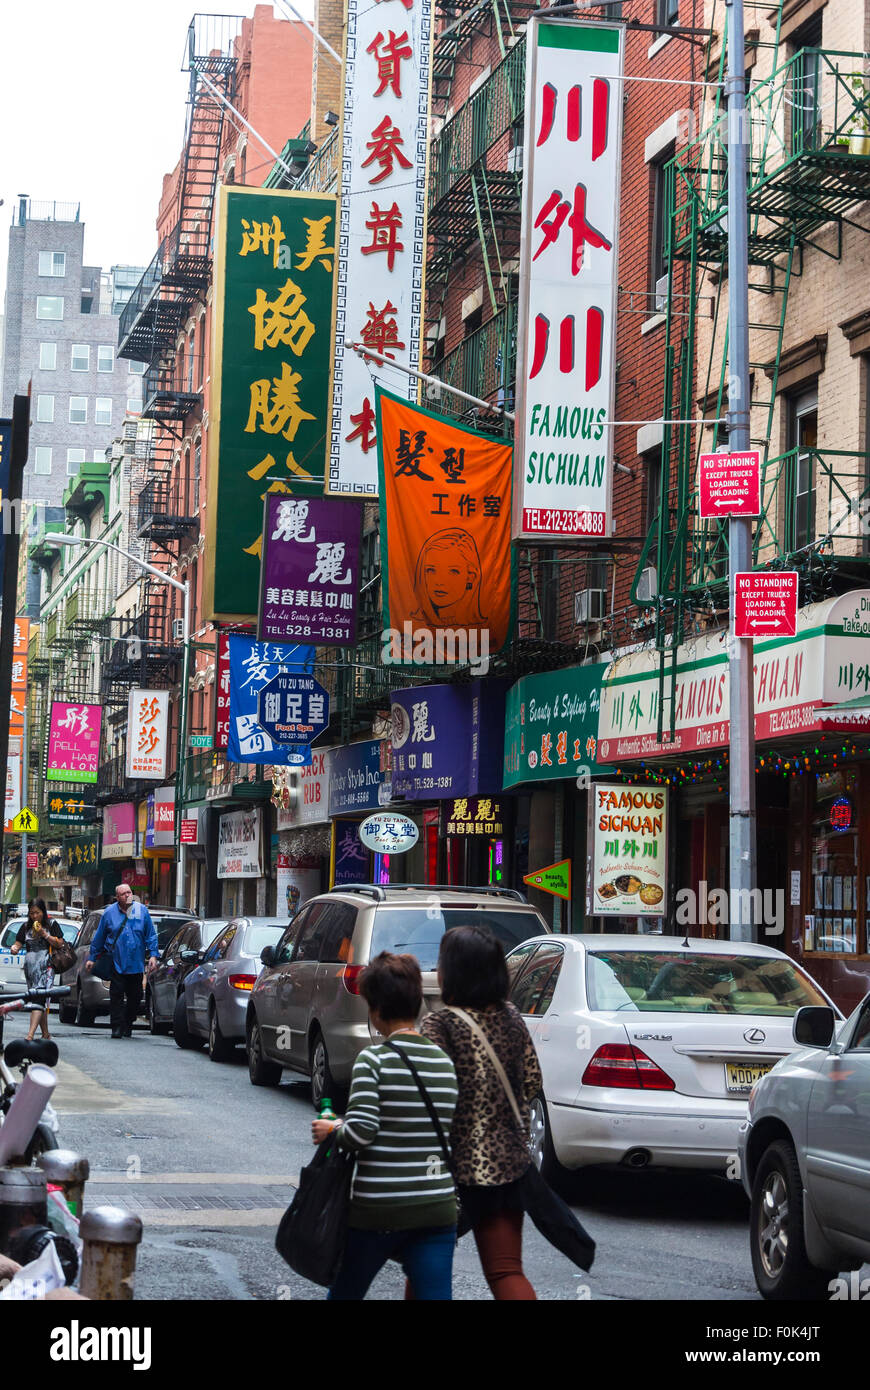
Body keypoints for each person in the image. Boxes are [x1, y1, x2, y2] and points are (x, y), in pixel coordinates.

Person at [311, 951, 459, 1301]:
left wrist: (332, 1130)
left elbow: (362, 1132)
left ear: (375, 1011)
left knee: (346, 1292)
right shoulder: (443, 1061)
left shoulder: (373, 1061)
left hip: (380, 1208)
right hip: (436, 1205)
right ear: (418, 1002)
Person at [419, 924, 542, 1301]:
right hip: (507, 1166)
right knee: (506, 1272)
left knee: (426, 1272)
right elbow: (533, 1081)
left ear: (453, 972)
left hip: (446, 1172)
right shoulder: (512, 1017)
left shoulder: (440, 1024)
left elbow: (425, 1095)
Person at [85, 884, 158, 1038]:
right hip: (117, 962)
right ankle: (116, 1027)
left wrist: (153, 955)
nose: (127, 896)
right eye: (123, 894)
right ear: (117, 897)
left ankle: (128, 1021)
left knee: (136, 996)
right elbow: (100, 937)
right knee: (116, 995)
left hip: (136, 964)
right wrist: (92, 958)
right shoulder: (109, 913)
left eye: (129, 892)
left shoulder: (141, 911)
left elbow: (150, 935)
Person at [9, 898, 64, 1041]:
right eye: (32, 913)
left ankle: (30, 1035)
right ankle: (45, 1034)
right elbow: (18, 942)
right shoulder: (25, 926)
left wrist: (44, 934)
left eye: (37, 913)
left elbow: (59, 943)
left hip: (46, 966)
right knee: (37, 999)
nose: (34, 916)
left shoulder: (51, 924)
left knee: (38, 1000)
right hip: (30, 968)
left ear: (43, 912)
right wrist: (14, 948)